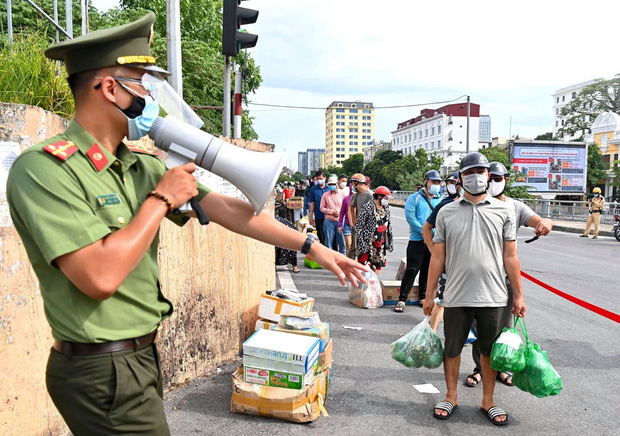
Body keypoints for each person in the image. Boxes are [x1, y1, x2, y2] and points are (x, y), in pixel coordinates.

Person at [5, 14, 368, 436]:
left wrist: (312, 247)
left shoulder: (138, 165)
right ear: (109, 89)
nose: (151, 97)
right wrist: (161, 200)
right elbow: (99, 276)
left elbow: (229, 211)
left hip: (137, 358)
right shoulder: (46, 169)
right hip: (99, 366)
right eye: (141, 84)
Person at [423, 152, 526, 426]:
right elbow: (437, 256)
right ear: (460, 178)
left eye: (481, 172)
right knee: (452, 348)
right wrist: (430, 294)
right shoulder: (446, 212)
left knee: (489, 351)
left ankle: (488, 400)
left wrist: (518, 294)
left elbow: (511, 256)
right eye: (470, 172)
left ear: (488, 176)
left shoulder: (504, 211)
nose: (477, 177)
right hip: (456, 294)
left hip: (493, 295)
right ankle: (451, 396)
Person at [462, 162, 553, 388]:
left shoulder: (515, 207)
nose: (491, 183)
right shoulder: (474, 205)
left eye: (497, 178)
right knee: (480, 325)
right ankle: (480, 368)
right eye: (488, 177)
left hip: (504, 279)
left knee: (503, 325)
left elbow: (538, 220)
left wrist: (546, 223)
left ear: (506, 180)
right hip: (479, 280)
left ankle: (500, 366)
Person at [394, 170, 442, 313]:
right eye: (433, 182)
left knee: (428, 271)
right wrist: (424, 231)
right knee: (412, 270)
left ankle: (422, 296)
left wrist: (433, 234)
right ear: (426, 181)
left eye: (438, 182)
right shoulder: (414, 198)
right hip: (417, 240)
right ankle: (402, 299)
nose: (436, 185)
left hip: (433, 242)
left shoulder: (440, 200)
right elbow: (410, 217)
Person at [421, 171, 461, 330]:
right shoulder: (445, 206)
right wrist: (433, 249)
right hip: (448, 262)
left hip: (467, 266)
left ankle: (463, 333)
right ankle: (431, 333)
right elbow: (426, 228)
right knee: (442, 299)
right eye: (451, 183)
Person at [355, 186, 394, 272]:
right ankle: (363, 284)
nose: (387, 200)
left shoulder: (386, 208)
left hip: (380, 242)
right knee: (364, 266)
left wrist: (390, 240)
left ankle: (372, 284)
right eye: (386, 198)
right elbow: (359, 226)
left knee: (377, 266)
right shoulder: (367, 207)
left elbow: (388, 225)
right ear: (379, 196)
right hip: (368, 242)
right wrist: (361, 242)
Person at [348, 173, 373, 259]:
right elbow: (351, 206)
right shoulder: (356, 195)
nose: (352, 186)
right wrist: (353, 220)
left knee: (364, 249)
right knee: (354, 247)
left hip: (367, 227)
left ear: (357, 183)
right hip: (358, 225)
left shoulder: (370, 195)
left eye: (353, 183)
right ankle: (349, 267)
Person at [320, 175, 346, 253]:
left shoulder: (342, 194)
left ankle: (342, 260)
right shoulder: (325, 195)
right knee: (328, 242)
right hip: (329, 220)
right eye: (330, 184)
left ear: (337, 184)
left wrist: (340, 213)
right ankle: (329, 261)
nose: (331, 186)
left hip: (340, 221)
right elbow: (321, 208)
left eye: (333, 184)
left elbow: (346, 207)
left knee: (342, 242)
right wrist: (331, 212)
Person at [308, 170, 329, 245]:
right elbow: (312, 203)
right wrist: (311, 216)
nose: (319, 180)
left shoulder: (329, 188)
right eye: (318, 179)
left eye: (321, 178)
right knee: (321, 236)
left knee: (329, 236)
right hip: (318, 215)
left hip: (329, 217)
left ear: (325, 178)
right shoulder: (313, 189)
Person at [338, 182, 354, 255]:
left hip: (357, 225)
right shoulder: (346, 199)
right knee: (349, 245)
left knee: (356, 247)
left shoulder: (361, 198)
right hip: (347, 225)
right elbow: (342, 213)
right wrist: (340, 225)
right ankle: (348, 263)